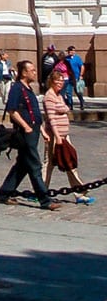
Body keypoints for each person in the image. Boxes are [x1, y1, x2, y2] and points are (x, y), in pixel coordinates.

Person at [0, 59, 56, 210]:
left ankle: (3, 194)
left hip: (33, 130)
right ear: (24, 72)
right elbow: (12, 111)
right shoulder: (17, 88)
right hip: (25, 133)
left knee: (22, 165)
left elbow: (33, 113)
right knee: (35, 165)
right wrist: (26, 126)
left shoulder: (28, 88)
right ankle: (45, 200)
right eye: (32, 70)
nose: (35, 72)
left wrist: (41, 131)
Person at [44, 64, 94, 203]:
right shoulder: (49, 97)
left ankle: (79, 193)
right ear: (52, 82)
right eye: (57, 81)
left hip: (64, 135)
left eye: (62, 81)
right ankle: (41, 191)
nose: (60, 83)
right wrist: (58, 137)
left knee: (68, 162)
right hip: (56, 136)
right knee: (50, 165)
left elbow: (65, 108)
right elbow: (51, 118)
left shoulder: (59, 96)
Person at [65, 44, 87, 116]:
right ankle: (70, 105)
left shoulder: (77, 58)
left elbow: (82, 66)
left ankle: (82, 102)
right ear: (69, 51)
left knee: (78, 91)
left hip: (76, 77)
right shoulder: (66, 59)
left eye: (74, 50)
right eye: (72, 51)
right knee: (68, 92)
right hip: (69, 78)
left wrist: (81, 75)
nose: (73, 52)